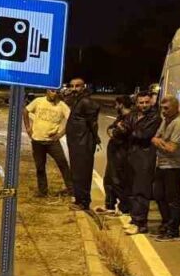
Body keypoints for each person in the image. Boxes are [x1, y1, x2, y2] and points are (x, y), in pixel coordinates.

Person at [122, 91, 161, 235]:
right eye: (141, 102)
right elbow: (122, 129)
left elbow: (143, 135)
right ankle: (134, 219)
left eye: (147, 102)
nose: (144, 105)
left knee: (141, 190)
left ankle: (141, 223)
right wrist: (127, 129)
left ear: (151, 102)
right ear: (136, 103)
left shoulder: (155, 117)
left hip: (145, 157)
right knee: (131, 189)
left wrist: (128, 130)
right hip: (132, 155)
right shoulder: (133, 115)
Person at [151, 96, 180, 240]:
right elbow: (155, 138)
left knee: (172, 199)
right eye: (162, 108)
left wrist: (159, 141)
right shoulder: (166, 120)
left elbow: (171, 148)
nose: (163, 111)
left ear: (175, 107)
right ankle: (166, 224)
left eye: (166, 108)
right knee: (159, 195)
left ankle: (173, 230)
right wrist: (160, 141)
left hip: (173, 166)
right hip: (161, 164)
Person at [23, 87, 72, 198]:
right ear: (47, 91)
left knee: (63, 164)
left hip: (52, 142)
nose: (54, 94)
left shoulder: (62, 105)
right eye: (52, 91)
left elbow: (71, 120)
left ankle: (71, 189)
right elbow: (25, 111)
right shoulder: (38, 101)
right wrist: (28, 128)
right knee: (40, 167)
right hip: (37, 140)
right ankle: (42, 191)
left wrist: (60, 134)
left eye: (56, 92)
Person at [63, 78, 101, 210]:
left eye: (77, 86)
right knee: (77, 173)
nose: (74, 89)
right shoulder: (77, 100)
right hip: (76, 143)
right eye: (72, 86)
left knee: (82, 173)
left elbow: (93, 123)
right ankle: (79, 199)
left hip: (83, 143)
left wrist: (95, 139)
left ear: (83, 87)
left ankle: (83, 202)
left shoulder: (86, 101)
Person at [102, 95, 134, 215]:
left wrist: (115, 130)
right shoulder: (121, 117)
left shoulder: (129, 117)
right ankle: (110, 205)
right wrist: (114, 129)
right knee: (109, 179)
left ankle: (125, 207)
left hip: (120, 153)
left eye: (116, 104)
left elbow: (119, 134)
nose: (115, 107)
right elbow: (111, 129)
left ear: (121, 104)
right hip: (114, 152)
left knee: (118, 181)